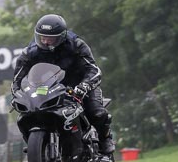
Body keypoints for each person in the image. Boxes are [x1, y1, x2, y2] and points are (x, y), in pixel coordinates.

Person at [11, 13, 115, 154]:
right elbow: (17, 78)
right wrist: (17, 93)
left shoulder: (76, 45)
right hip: (49, 90)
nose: (45, 41)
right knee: (27, 115)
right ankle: (38, 149)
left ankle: (105, 138)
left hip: (79, 87)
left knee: (96, 113)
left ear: (61, 37)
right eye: (42, 37)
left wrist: (84, 86)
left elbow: (94, 70)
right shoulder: (30, 52)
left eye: (50, 38)